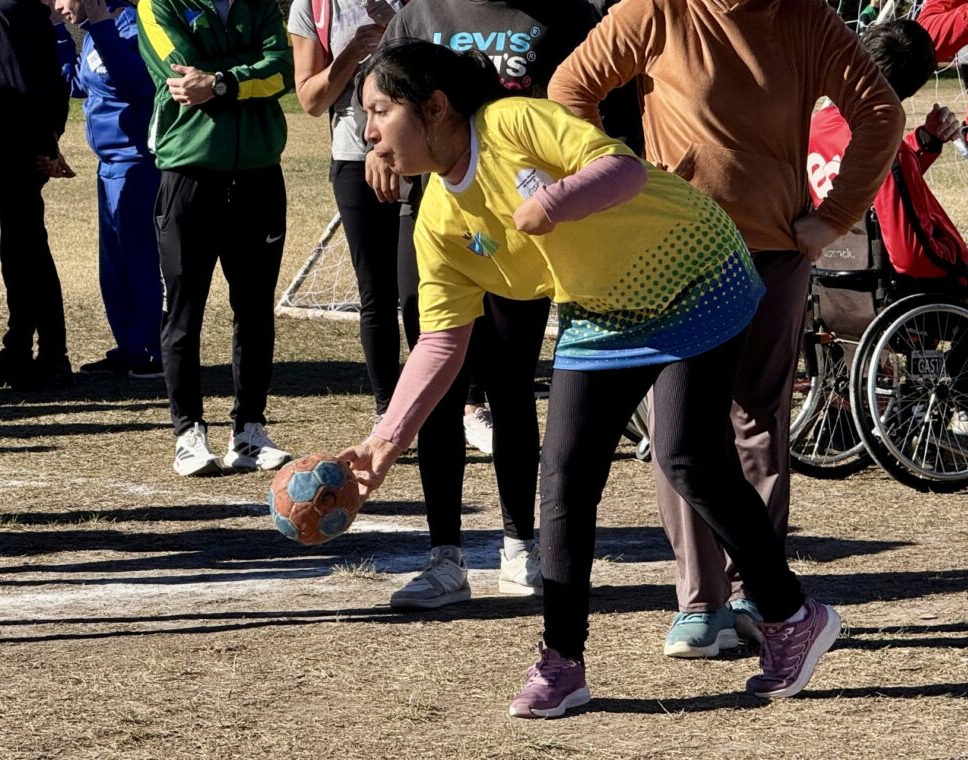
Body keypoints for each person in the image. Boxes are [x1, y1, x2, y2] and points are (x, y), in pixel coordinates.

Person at [341, 40, 842, 718]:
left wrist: (557, 202)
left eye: (379, 111)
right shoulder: (438, 220)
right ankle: (562, 661)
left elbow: (621, 168)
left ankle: (791, 616)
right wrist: (382, 445)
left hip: (695, 272)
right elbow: (441, 343)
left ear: (434, 107)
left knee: (689, 456)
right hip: (602, 311)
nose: (368, 133)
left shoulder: (512, 122)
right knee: (565, 476)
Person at [547, 0, 904, 658]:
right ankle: (701, 604)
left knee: (756, 419)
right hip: (675, 252)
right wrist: (610, 181)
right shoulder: (656, 8)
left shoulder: (806, 18)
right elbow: (570, 89)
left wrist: (833, 216)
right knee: (680, 428)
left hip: (772, 251)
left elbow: (880, 112)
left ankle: (757, 595)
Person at [366, 0, 637, 609]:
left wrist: (571, 184)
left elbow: (608, 108)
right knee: (438, 379)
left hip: (523, 219)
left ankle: (520, 546)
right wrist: (376, 148)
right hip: (440, 215)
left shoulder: (563, 13)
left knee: (510, 384)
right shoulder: (419, 11)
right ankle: (444, 558)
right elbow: (383, 95)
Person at [138, 0, 295, 475]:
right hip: (189, 175)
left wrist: (223, 81)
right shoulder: (158, 5)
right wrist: (245, 71)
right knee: (183, 312)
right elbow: (185, 79)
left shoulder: (260, 5)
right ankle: (188, 433)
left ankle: (249, 431)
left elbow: (283, 70)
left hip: (259, 175)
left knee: (255, 310)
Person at [809, 19, 968, 435]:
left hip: (836, 281)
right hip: (894, 288)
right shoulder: (884, 145)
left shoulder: (820, 126)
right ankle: (957, 399)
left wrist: (924, 143)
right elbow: (911, 254)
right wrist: (957, 259)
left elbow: (876, 193)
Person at [287, 0, 406, 423]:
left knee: (425, 290)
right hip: (355, 162)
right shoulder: (313, 6)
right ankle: (388, 413)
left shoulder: (414, 5)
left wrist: (397, 29)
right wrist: (350, 54)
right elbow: (310, 100)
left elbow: (441, 74)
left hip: (420, 158)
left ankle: (459, 404)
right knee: (377, 293)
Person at [0, 0, 73, 390]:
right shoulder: (23, 9)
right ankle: (30, 350)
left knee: (25, 251)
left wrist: (45, 144)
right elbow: (51, 80)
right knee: (24, 248)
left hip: (13, 145)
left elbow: (19, 81)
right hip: (24, 143)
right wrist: (51, 136)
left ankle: (41, 355)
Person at [52, 0, 164, 379]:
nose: (58, 5)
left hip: (137, 163)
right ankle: (131, 347)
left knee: (140, 262)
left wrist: (101, 28)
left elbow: (136, 85)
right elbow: (79, 83)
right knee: (114, 269)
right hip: (109, 165)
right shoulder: (90, 32)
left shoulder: (130, 24)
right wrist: (59, 34)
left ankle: (154, 350)